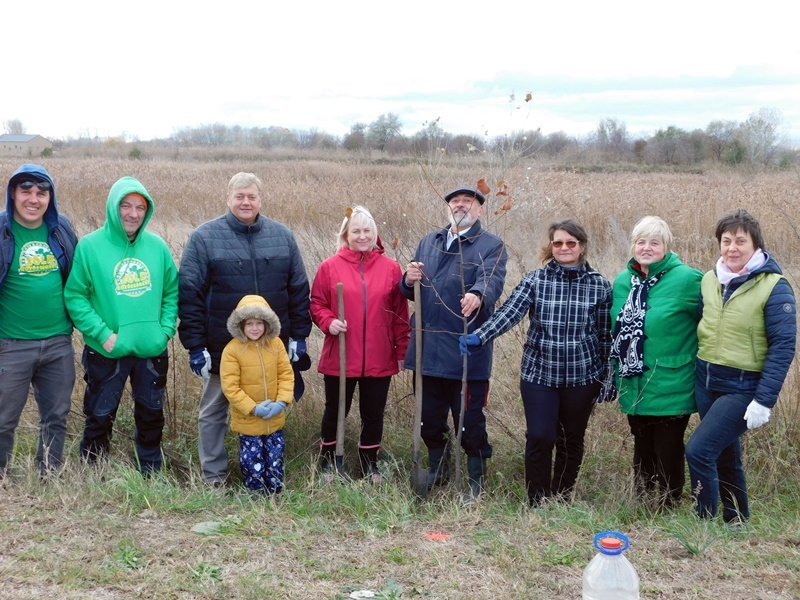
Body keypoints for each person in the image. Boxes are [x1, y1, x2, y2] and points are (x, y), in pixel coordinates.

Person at [461, 220, 613, 506]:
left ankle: (562, 495)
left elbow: (605, 336)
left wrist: (608, 377)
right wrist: (479, 337)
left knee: (571, 439)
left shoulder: (600, 286)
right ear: (551, 247)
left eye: (571, 243)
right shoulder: (536, 280)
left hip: (582, 378)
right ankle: (537, 499)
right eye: (558, 243)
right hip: (539, 374)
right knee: (541, 436)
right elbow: (510, 313)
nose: (564, 248)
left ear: (582, 247)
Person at [178, 172, 312, 486]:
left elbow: (298, 288)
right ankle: (214, 476)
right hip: (221, 347)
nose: (246, 202)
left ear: (260, 199)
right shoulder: (204, 237)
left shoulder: (282, 236)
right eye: (239, 196)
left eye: (251, 196)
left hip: (270, 348)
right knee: (213, 412)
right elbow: (190, 293)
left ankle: (266, 474)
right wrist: (195, 346)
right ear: (228, 199)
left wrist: (300, 336)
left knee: (272, 407)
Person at [686, 209, 795, 523]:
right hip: (706, 381)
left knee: (698, 450)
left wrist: (764, 400)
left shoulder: (774, 287)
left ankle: (703, 519)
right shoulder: (710, 280)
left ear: (756, 245)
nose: (732, 248)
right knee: (725, 455)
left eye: (740, 241)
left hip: (743, 386)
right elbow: (702, 322)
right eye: (726, 241)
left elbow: (783, 346)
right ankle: (736, 520)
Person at [64, 177, 178, 474]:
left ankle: (150, 472)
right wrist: (103, 334)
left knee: (152, 414)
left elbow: (171, 292)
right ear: (114, 208)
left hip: (150, 349)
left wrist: (164, 331)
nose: (133, 213)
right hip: (107, 350)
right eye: (125, 205)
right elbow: (76, 296)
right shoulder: (90, 247)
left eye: (140, 207)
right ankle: (93, 471)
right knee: (100, 415)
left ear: (147, 210)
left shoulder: (157, 247)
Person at [401, 186, 508, 500]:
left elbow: (492, 279)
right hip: (426, 349)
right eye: (455, 202)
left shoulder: (491, 246)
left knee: (470, 422)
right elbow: (411, 291)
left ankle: (475, 479)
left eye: (468, 202)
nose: (460, 206)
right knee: (428, 419)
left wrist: (478, 294)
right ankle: (438, 468)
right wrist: (408, 280)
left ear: (480, 210)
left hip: (466, 353)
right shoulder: (429, 242)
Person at [310, 206, 410, 483]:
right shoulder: (329, 267)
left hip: (379, 355)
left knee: (373, 413)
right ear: (346, 235)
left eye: (367, 230)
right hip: (340, 354)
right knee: (335, 410)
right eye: (356, 231)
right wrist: (329, 321)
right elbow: (316, 304)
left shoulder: (391, 268)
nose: (362, 236)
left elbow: (400, 314)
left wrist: (402, 350)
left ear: (374, 233)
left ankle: (370, 465)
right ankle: (330, 463)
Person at [610, 216, 702, 507]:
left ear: (666, 247)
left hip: (671, 380)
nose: (646, 247)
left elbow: (711, 324)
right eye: (640, 241)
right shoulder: (624, 281)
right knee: (642, 442)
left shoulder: (688, 279)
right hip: (633, 381)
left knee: (668, 447)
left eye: (654, 242)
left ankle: (669, 504)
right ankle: (642, 499)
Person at [0, 164, 78, 477]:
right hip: (11, 344)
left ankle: (50, 475)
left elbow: (77, 278)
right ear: (13, 195)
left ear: (50, 197)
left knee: (56, 416)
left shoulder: (61, 229)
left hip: (58, 341)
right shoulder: (2, 230)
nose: (34, 199)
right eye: (26, 191)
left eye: (41, 192)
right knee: (4, 419)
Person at [220, 295, 294, 495]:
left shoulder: (276, 344)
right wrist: (253, 408)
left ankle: (276, 491)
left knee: (275, 455)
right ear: (240, 325)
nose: (255, 328)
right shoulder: (232, 350)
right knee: (252, 459)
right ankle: (256, 492)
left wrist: (281, 402)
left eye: (259, 323)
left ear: (267, 324)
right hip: (248, 419)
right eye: (249, 323)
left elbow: (286, 374)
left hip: (274, 417)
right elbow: (230, 387)